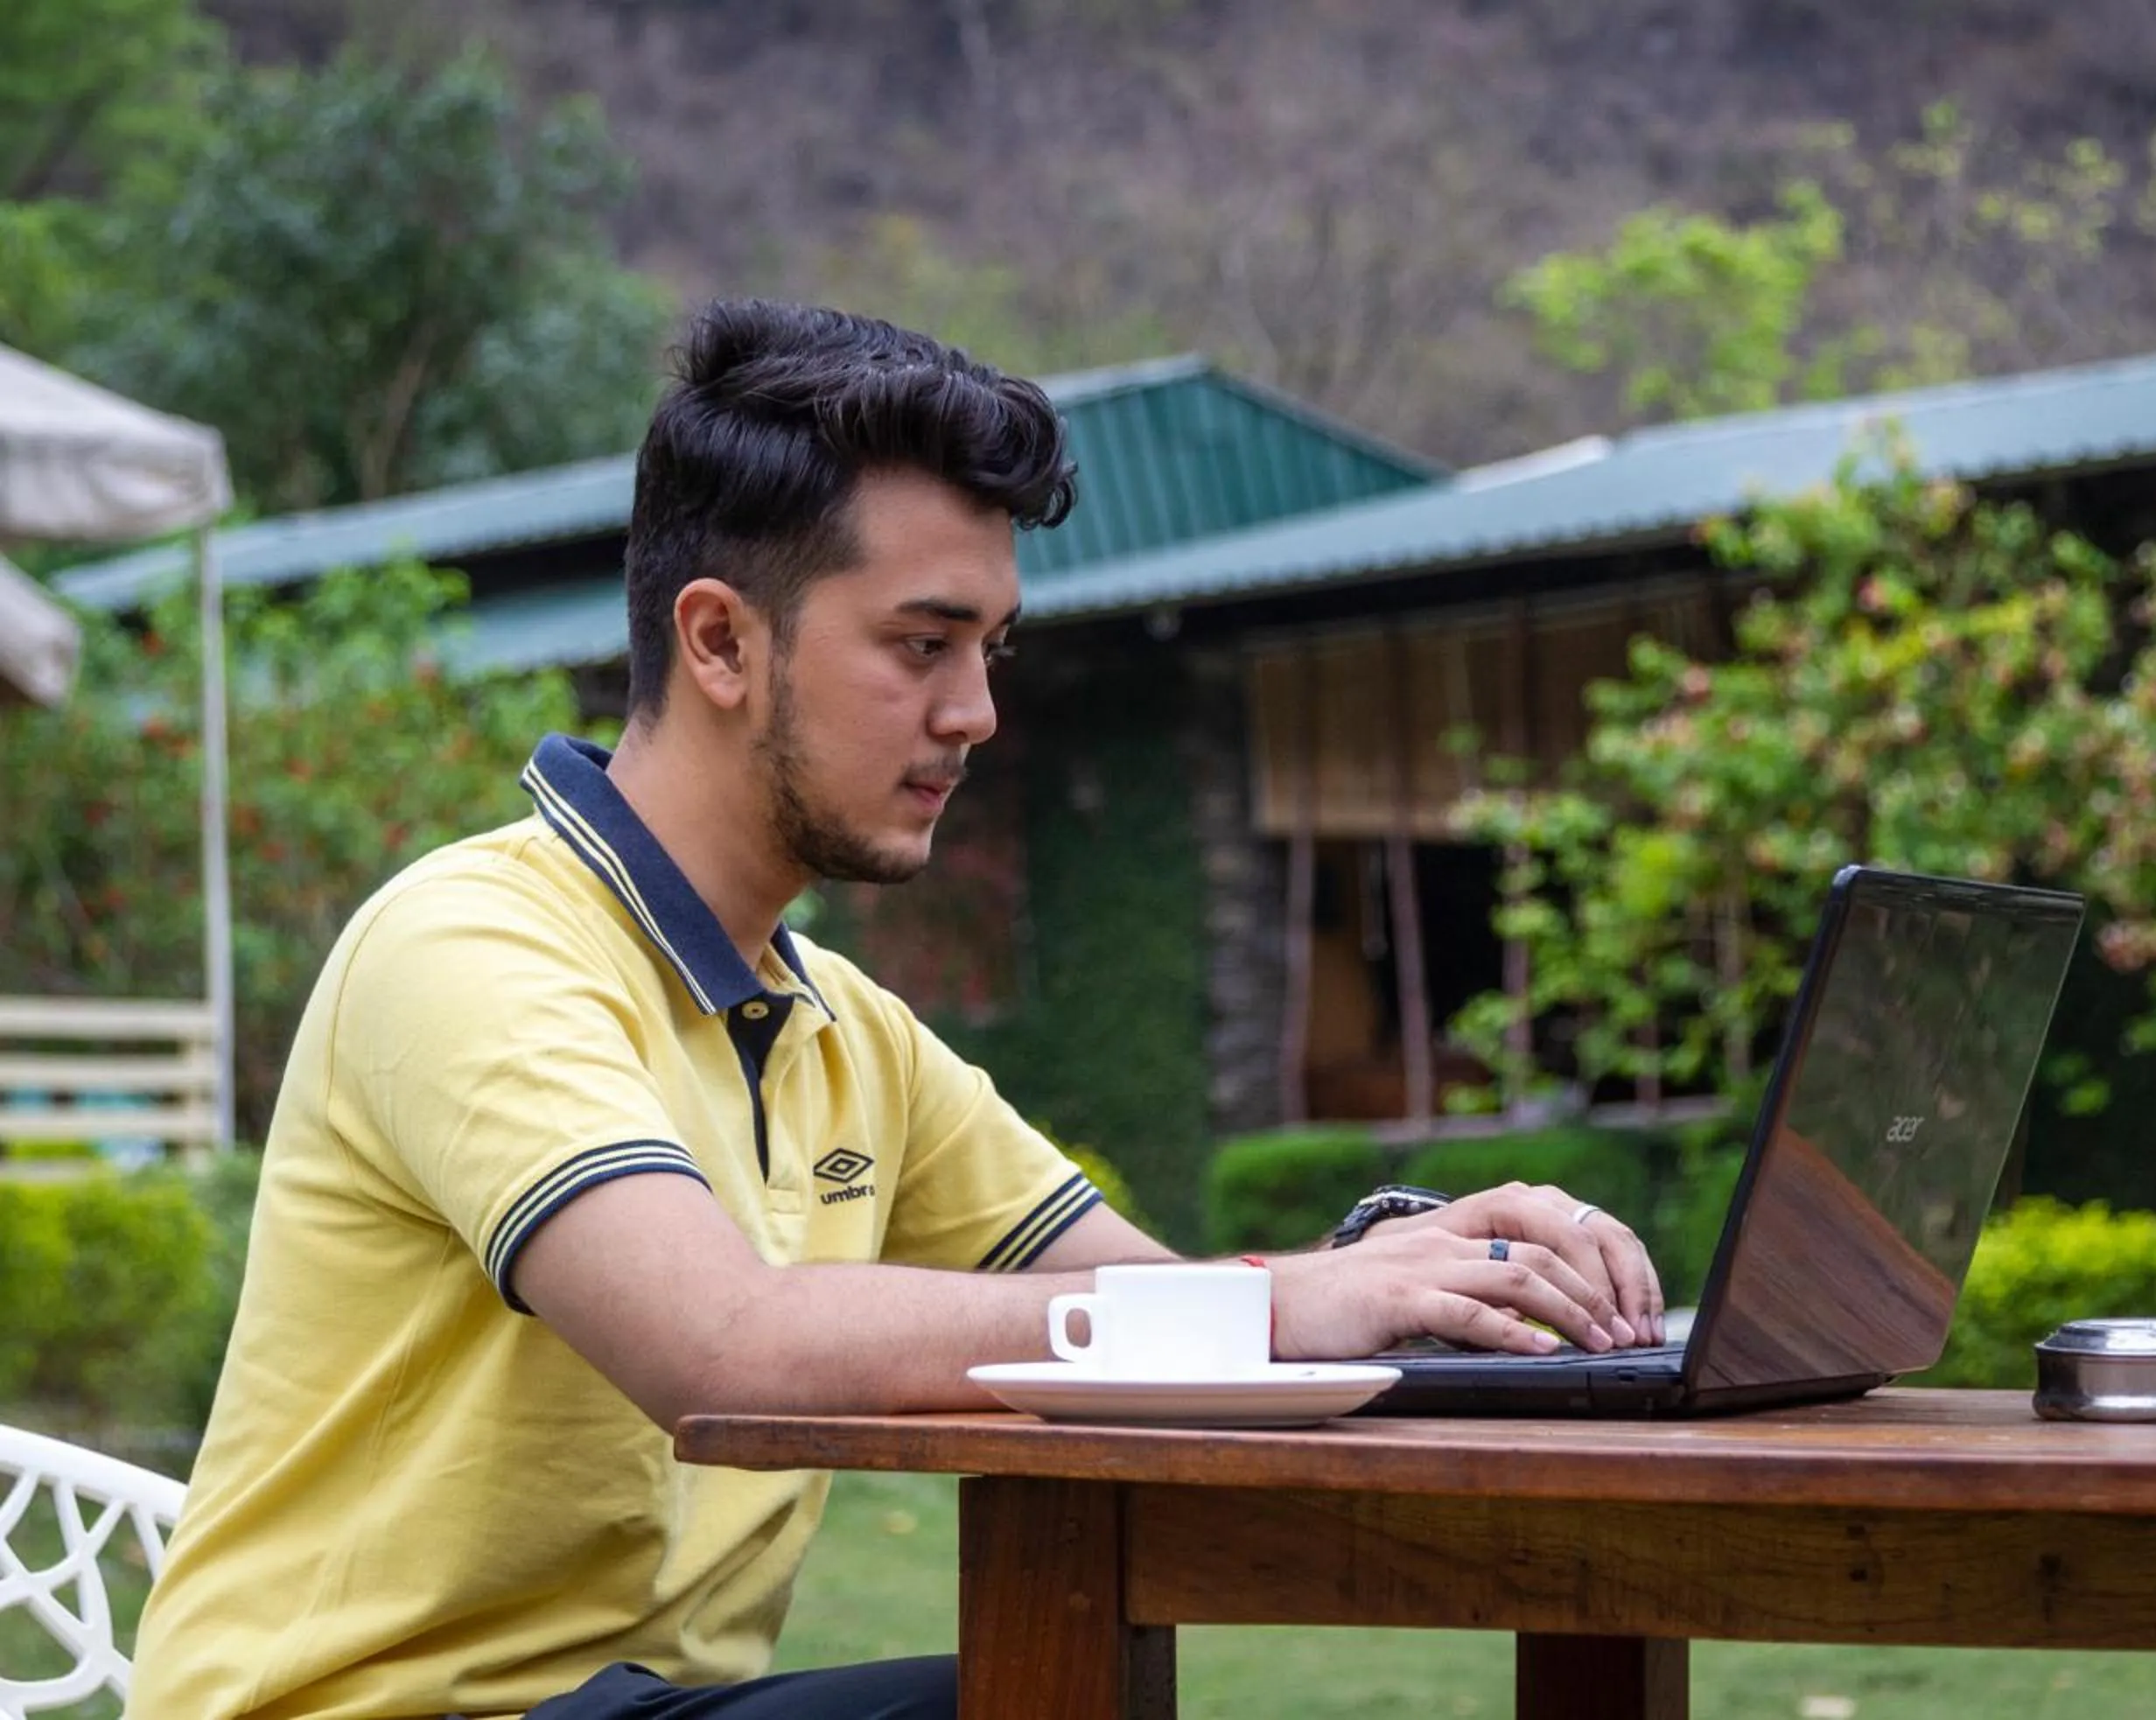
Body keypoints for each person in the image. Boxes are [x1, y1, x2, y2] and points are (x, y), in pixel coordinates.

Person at [130, 300, 1663, 1720]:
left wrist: (1411, 1266)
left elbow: (1154, 1305)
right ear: (721, 640)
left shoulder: (844, 1028)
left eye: (989, 651)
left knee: (1058, 1690)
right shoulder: (470, 945)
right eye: (922, 645)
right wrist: (1282, 1307)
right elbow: (720, 1348)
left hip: (621, 1707)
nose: (976, 713)